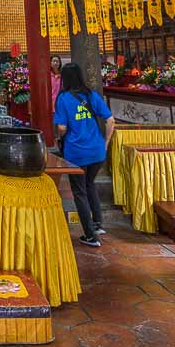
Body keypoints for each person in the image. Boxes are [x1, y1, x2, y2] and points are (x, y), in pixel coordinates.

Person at [53, 62, 115, 247]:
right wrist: (105, 143)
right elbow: (110, 120)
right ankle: (97, 224)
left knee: (79, 192)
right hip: (97, 151)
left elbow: (62, 127)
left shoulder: (63, 99)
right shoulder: (91, 95)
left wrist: (59, 135)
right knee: (90, 185)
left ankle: (89, 235)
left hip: (77, 152)